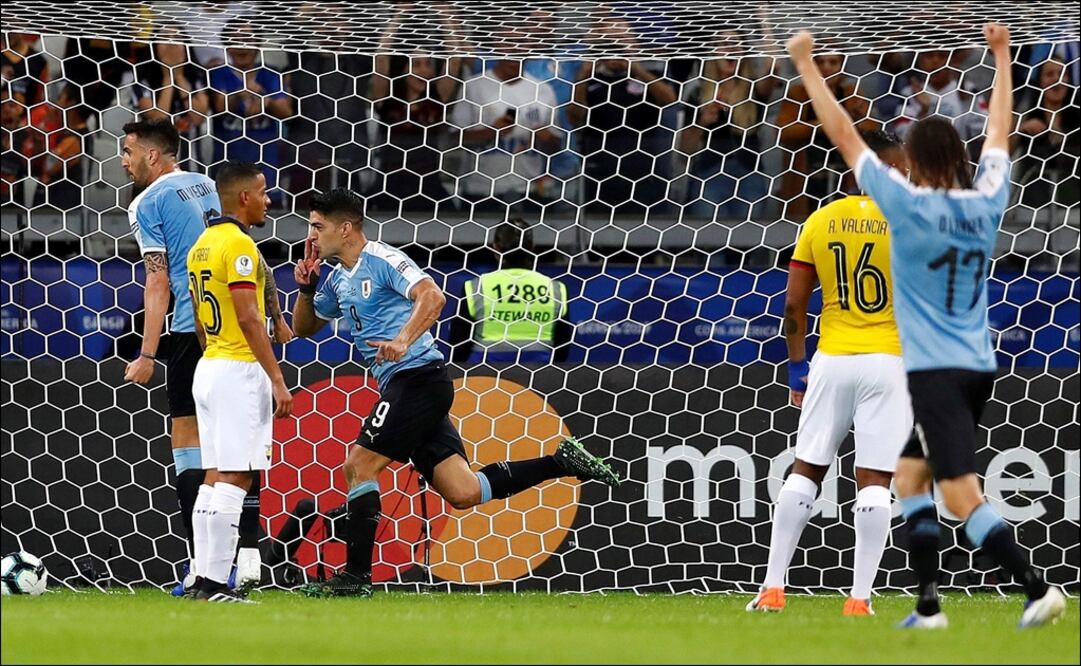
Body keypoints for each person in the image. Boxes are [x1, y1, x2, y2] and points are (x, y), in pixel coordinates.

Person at [786, 24, 1067, 629]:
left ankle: (1035, 588)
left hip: (936, 371)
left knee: (960, 495)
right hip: (976, 364)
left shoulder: (905, 206)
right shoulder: (987, 198)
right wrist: (999, 56)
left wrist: (806, 62)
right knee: (910, 479)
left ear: (912, 162)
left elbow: (840, 132)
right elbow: (1000, 130)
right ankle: (927, 607)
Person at [290, 188, 620, 597]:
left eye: (317, 226)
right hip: (404, 382)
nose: (311, 234)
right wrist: (305, 288)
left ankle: (355, 577)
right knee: (463, 491)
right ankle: (561, 462)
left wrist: (405, 339)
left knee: (359, 465)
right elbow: (303, 330)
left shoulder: (384, 259)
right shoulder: (336, 276)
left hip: (419, 378)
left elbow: (433, 296)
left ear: (345, 228)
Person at [120, 119, 290, 595]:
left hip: (195, 333)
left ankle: (202, 569)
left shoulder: (145, 202)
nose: (124, 160)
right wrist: (276, 313)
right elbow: (248, 257)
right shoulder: (207, 186)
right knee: (241, 458)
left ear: (154, 156)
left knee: (197, 455)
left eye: (129, 151)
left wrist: (149, 352)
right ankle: (244, 561)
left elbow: (158, 281)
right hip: (233, 333)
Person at [747, 131, 911, 616]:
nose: (904, 173)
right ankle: (859, 599)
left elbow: (795, 303)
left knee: (806, 469)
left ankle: (773, 589)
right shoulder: (907, 219)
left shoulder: (820, 220)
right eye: (898, 165)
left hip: (831, 358)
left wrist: (797, 367)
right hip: (889, 359)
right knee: (876, 479)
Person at [186, 161, 293, 602]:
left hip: (209, 363)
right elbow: (249, 316)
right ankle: (213, 584)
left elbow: (196, 317)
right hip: (237, 369)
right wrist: (277, 378)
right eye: (264, 191)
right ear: (244, 197)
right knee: (237, 477)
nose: (269, 199)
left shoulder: (201, 245)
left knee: (213, 478)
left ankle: (199, 580)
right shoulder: (240, 247)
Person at [450, 218, 571, 365]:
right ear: (532, 247)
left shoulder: (477, 287)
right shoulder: (555, 289)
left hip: (484, 375)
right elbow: (562, 347)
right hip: (539, 375)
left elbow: (459, 345)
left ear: (495, 248)